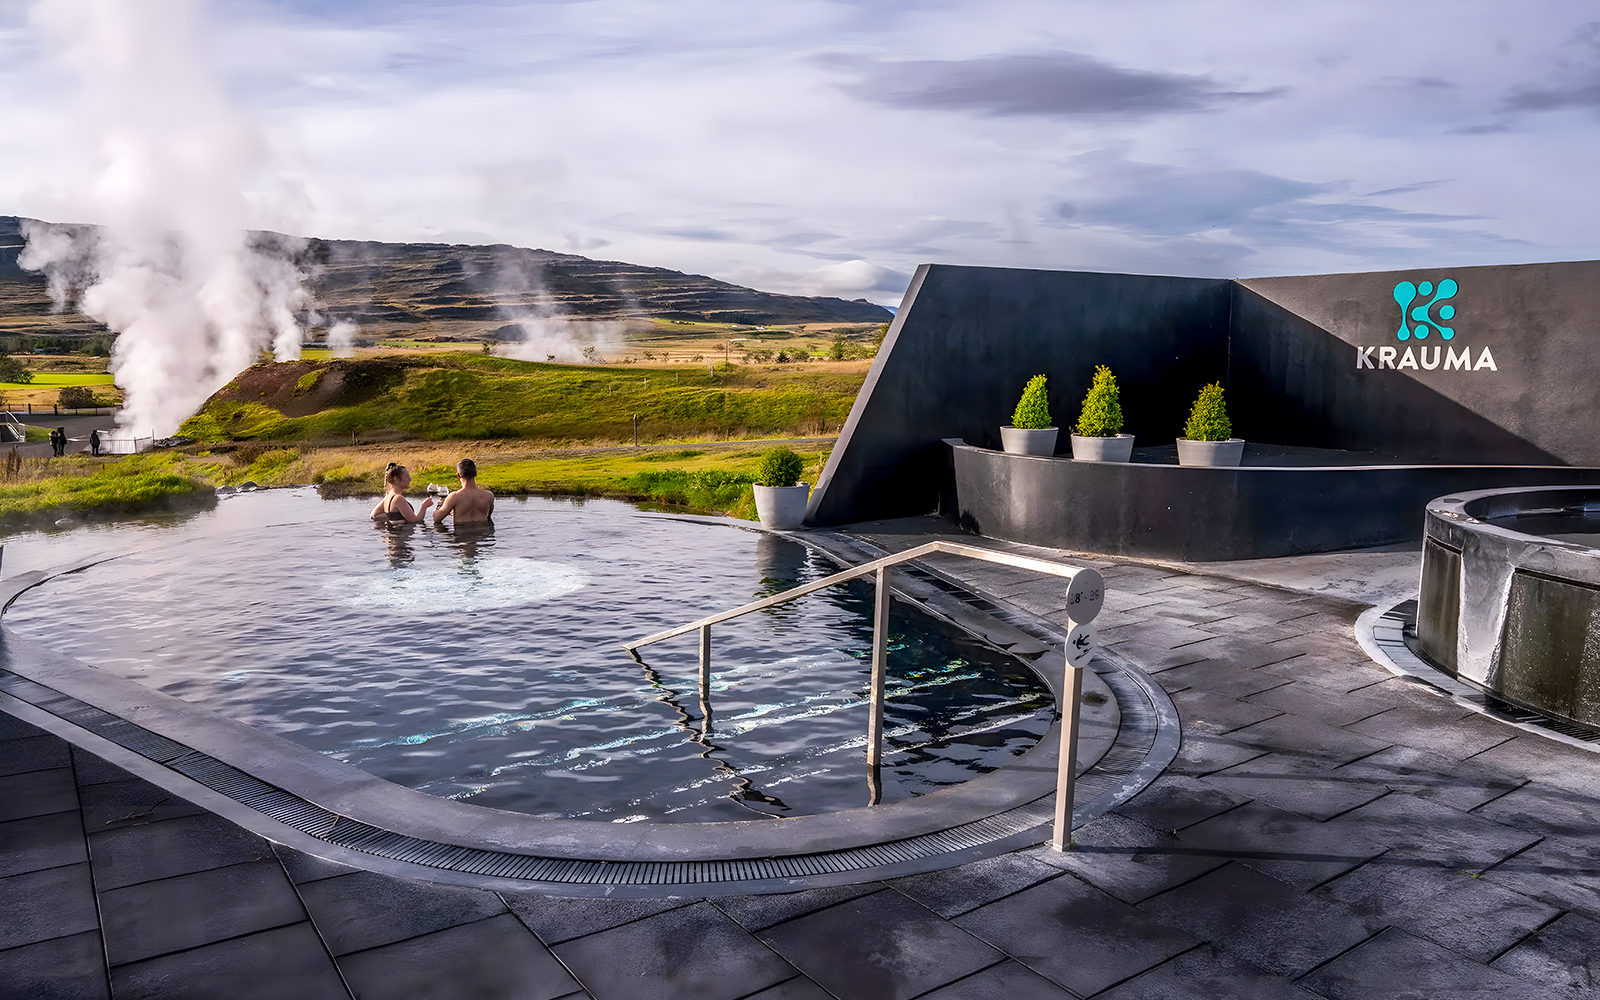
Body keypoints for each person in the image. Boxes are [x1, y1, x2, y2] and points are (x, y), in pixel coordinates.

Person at [433, 458, 495, 525]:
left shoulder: (454, 497)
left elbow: (437, 519)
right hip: (483, 530)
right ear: (476, 473)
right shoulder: (489, 495)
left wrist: (441, 506)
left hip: (461, 530)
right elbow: (488, 515)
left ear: (458, 475)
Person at [370, 462, 434, 523]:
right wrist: (424, 506)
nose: (410, 479)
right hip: (402, 530)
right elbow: (414, 520)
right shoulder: (398, 498)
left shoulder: (388, 497)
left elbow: (373, 515)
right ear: (396, 479)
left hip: (394, 530)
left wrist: (392, 517)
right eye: (406, 477)